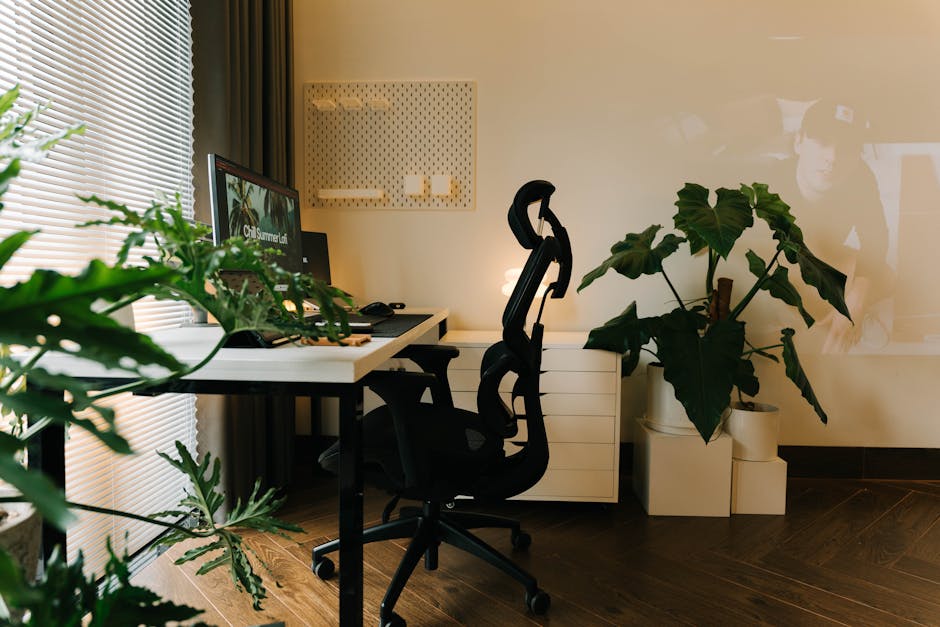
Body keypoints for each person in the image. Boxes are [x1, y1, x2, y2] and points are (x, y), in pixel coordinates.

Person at [765, 98, 895, 352]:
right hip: (775, 265)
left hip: (822, 258)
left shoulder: (860, 176)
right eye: (823, 142)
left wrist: (855, 302)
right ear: (799, 141)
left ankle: (835, 322)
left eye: (847, 147)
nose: (833, 157)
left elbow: (876, 241)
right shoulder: (772, 182)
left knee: (885, 277)